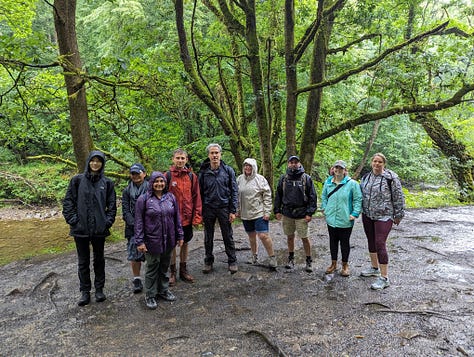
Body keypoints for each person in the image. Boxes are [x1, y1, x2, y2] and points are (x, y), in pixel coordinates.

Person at [62, 150, 117, 306]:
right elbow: (68, 203)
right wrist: (74, 221)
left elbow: (112, 206)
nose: (95, 164)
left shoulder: (107, 183)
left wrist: (107, 222)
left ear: (102, 164)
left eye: (99, 161)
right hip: (80, 230)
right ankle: (85, 292)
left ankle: (99, 289)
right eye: (93, 161)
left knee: (99, 260)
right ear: (88, 162)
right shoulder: (77, 181)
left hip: (99, 229)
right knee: (83, 261)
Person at [135, 171, 184, 310]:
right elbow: (138, 222)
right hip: (151, 240)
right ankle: (150, 295)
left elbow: (177, 219)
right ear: (151, 183)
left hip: (168, 239)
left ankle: (163, 289)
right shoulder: (143, 200)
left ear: (165, 183)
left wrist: (180, 235)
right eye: (156, 181)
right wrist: (140, 241)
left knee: (164, 266)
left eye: (161, 181)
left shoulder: (170, 198)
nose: (159, 184)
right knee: (152, 267)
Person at [359, 153, 405, 290]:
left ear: (384, 164)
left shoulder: (391, 178)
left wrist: (399, 214)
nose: (377, 164)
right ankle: (374, 268)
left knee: (380, 242)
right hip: (367, 214)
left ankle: (384, 278)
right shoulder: (366, 177)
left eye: (379, 162)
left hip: (385, 215)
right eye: (374, 161)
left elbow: (398, 196)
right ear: (371, 163)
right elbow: (359, 195)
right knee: (371, 240)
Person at [199, 143, 239, 274]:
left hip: (224, 207)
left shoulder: (228, 170)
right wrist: (200, 211)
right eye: (212, 153)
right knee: (208, 236)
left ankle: (232, 261)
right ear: (208, 155)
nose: (215, 155)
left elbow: (234, 191)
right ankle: (208, 261)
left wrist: (233, 210)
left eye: (217, 153)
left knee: (228, 235)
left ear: (221, 154)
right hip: (208, 208)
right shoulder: (204, 172)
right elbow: (199, 192)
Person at [274, 155, 317, 272]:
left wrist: (310, 212)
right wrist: (277, 210)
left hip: (302, 213)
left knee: (305, 237)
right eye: (291, 162)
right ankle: (291, 258)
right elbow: (278, 195)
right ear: (288, 164)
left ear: (299, 164)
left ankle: (308, 260)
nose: (293, 164)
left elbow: (313, 196)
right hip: (287, 213)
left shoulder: (306, 178)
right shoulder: (283, 178)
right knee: (290, 237)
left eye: (295, 162)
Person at [166, 148, 202, 285]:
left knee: (185, 243)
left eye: (182, 158)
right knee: (172, 245)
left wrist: (197, 217)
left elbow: (196, 197)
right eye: (178, 158)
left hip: (187, 217)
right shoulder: (168, 176)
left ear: (186, 160)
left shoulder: (192, 177)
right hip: (171, 218)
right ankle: (172, 272)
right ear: (173, 159)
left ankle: (183, 269)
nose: (180, 160)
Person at [321, 160, 362, 277]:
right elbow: (324, 196)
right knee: (332, 242)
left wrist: (354, 213)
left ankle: (345, 265)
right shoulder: (328, 183)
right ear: (333, 169)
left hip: (345, 219)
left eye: (341, 168)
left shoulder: (352, 184)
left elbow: (358, 199)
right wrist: (324, 208)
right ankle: (333, 264)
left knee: (344, 243)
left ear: (345, 171)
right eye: (336, 168)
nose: (338, 170)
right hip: (331, 219)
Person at [236, 158, 277, 270]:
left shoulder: (260, 179)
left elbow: (267, 196)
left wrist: (267, 211)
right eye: (245, 166)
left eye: (249, 166)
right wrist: (237, 210)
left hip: (259, 212)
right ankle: (254, 256)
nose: (247, 168)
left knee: (263, 235)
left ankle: (272, 257)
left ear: (254, 167)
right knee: (251, 236)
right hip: (245, 213)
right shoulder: (239, 179)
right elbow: (237, 197)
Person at [122, 163, 148, 293]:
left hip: (150, 226)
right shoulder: (127, 191)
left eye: (138, 173)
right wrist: (135, 224)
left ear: (144, 173)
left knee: (152, 253)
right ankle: (137, 279)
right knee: (134, 254)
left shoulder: (151, 187)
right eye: (133, 174)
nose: (136, 176)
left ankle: (152, 277)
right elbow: (125, 210)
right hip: (132, 227)